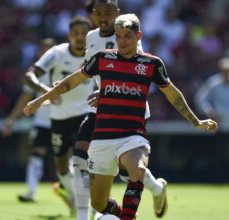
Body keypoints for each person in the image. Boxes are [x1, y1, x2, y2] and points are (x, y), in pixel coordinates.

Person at [23, 14, 218, 220]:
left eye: (127, 36)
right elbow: (69, 82)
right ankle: (125, 212)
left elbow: (171, 93)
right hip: (102, 138)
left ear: (138, 36)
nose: (122, 41)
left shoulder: (151, 63)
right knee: (98, 203)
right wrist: (38, 101)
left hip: (132, 135)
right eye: (119, 36)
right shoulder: (102, 58)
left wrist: (195, 121)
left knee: (138, 170)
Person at [72, 1, 165, 219]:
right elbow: (92, 69)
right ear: (93, 15)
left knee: (127, 172)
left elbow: (130, 72)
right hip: (100, 110)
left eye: (108, 13)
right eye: (99, 13)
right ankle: (85, 215)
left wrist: (105, 92)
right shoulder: (91, 37)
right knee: (78, 158)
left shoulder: (127, 35)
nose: (103, 17)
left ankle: (155, 189)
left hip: (129, 111)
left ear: (117, 13)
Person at [24, 16, 93, 216]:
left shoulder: (95, 53)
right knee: (61, 168)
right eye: (76, 33)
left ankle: (89, 206)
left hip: (86, 113)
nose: (80, 37)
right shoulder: (57, 52)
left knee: (83, 159)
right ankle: (72, 195)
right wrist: (47, 91)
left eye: (84, 33)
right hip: (59, 117)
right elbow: (29, 76)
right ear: (69, 35)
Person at [2, 38, 56, 202]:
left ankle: (74, 195)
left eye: (49, 50)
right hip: (42, 122)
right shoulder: (35, 73)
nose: (46, 53)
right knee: (36, 155)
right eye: (43, 49)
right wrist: (11, 119)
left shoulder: (66, 67)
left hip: (64, 119)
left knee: (67, 159)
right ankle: (31, 192)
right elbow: (25, 96)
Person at [195, 57, 229, 182]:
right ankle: (220, 180)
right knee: (219, 155)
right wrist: (209, 111)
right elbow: (201, 99)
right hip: (220, 126)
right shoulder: (213, 83)